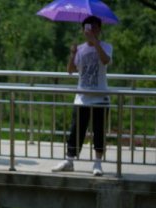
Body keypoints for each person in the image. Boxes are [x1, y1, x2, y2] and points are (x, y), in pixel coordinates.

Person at [52, 16, 112, 177]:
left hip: (100, 97)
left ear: (99, 29)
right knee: (76, 130)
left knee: (99, 131)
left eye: (94, 28)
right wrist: (72, 54)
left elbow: (105, 61)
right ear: (83, 29)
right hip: (82, 97)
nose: (90, 31)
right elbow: (70, 70)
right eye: (87, 27)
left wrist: (95, 42)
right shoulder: (80, 49)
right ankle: (69, 160)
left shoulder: (106, 46)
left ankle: (98, 163)